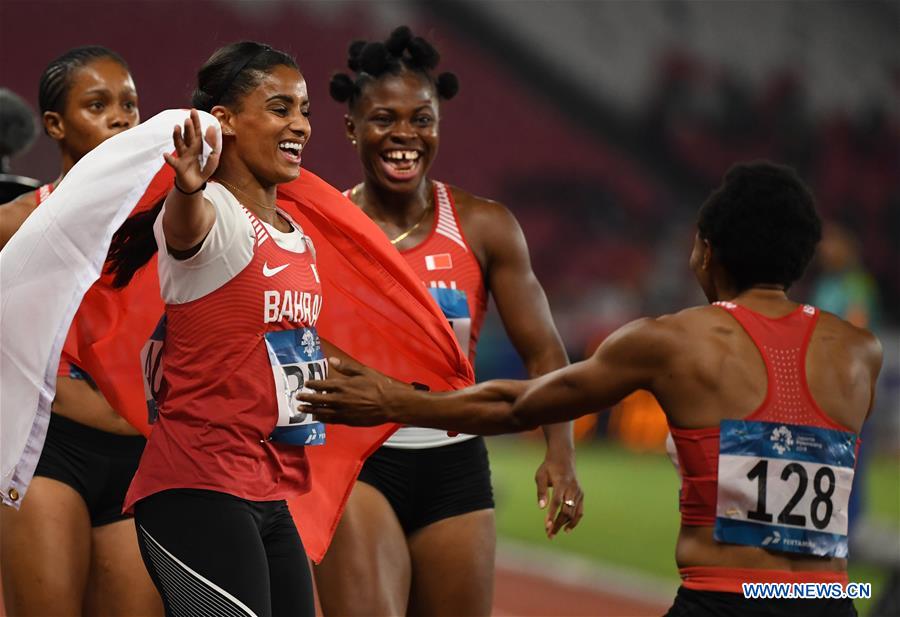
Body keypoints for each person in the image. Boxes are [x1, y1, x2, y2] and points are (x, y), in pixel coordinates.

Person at [300, 161, 883, 617]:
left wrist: (395, 401)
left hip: (723, 602)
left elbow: (520, 403)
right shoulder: (863, 355)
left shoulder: (670, 342)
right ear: (804, 254)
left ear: (707, 250)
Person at [316, 26, 582, 616]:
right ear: (351, 127)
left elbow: (544, 352)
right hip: (357, 462)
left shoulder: (484, 227)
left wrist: (559, 452)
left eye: (422, 118)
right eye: (384, 118)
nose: (405, 135)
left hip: (455, 462)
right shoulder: (320, 228)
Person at [97, 41, 332, 617]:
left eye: (303, 109)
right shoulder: (216, 216)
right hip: (197, 487)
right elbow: (186, 228)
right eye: (280, 108)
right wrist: (187, 186)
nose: (299, 123)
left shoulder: (297, 234)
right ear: (224, 120)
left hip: (270, 488)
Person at [0, 46, 163, 617]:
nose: (122, 118)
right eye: (98, 105)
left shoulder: (177, 223)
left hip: (140, 458)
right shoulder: (18, 223)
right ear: (55, 126)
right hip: (49, 453)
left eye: (130, 105)